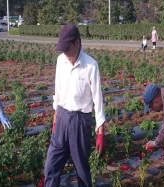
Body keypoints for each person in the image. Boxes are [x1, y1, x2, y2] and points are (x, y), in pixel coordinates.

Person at [44, 24, 106, 187]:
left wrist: (101, 131)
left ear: (77, 43)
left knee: (81, 170)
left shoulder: (91, 66)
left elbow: (98, 99)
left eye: (67, 49)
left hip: (80, 121)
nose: (65, 53)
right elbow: (58, 90)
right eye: (62, 49)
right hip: (62, 117)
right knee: (51, 166)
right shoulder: (60, 61)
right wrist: (55, 119)